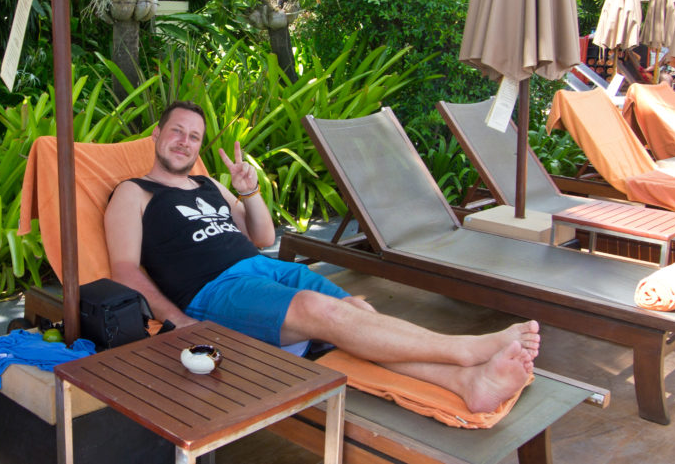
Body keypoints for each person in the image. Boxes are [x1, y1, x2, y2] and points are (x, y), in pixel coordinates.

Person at [104, 101, 540, 413]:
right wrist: (177, 321)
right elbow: (123, 269)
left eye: (193, 136)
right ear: (157, 135)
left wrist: (247, 191)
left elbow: (261, 236)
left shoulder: (210, 187)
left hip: (266, 269)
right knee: (320, 310)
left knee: (357, 309)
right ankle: (467, 350)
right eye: (176, 131)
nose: (184, 142)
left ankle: (466, 384)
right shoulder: (134, 192)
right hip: (215, 290)